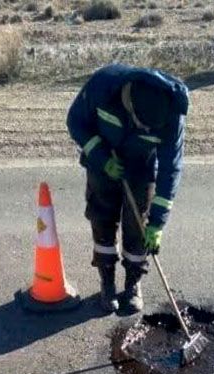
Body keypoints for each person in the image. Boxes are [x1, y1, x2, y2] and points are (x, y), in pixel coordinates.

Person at [66, 64, 189, 313]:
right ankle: (107, 281)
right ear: (129, 104)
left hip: (141, 168)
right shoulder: (103, 85)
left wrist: (157, 224)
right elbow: (75, 121)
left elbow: (170, 169)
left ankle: (133, 283)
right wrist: (102, 158)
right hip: (104, 162)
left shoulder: (171, 115)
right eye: (143, 126)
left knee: (137, 226)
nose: (147, 131)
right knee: (102, 219)